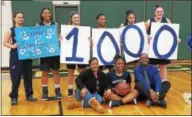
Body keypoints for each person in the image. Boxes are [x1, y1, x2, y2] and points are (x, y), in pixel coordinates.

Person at [3, 12, 36, 105]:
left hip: (27, 57)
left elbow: (32, 43)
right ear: (14, 19)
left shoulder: (27, 30)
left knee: (28, 77)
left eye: (22, 17)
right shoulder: (10, 30)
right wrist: (13, 46)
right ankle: (14, 97)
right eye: (19, 17)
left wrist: (32, 53)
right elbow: (4, 42)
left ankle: (29, 95)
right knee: (15, 78)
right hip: (15, 57)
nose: (21, 19)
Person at [145, 5, 181, 80]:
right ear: (154, 13)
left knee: (163, 66)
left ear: (163, 12)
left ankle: (163, 82)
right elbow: (143, 34)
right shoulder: (149, 21)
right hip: (153, 49)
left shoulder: (167, 21)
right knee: (153, 66)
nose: (159, 13)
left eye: (161, 12)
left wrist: (176, 39)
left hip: (164, 49)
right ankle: (153, 82)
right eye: (158, 12)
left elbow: (172, 33)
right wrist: (147, 36)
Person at [36, 7, 62, 100]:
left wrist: (59, 38)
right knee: (45, 73)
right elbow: (36, 38)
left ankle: (57, 90)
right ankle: (45, 91)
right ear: (42, 15)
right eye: (45, 13)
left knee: (56, 72)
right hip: (44, 53)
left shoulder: (55, 24)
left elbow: (58, 35)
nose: (47, 15)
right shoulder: (38, 25)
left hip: (54, 52)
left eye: (48, 13)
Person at [67, 12, 87, 97]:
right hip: (71, 53)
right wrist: (61, 38)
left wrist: (89, 39)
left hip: (80, 52)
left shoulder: (83, 29)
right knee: (70, 72)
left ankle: (81, 87)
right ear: (71, 19)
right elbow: (65, 39)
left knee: (82, 72)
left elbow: (85, 41)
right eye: (75, 18)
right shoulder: (67, 29)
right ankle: (70, 89)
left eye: (78, 18)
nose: (76, 19)